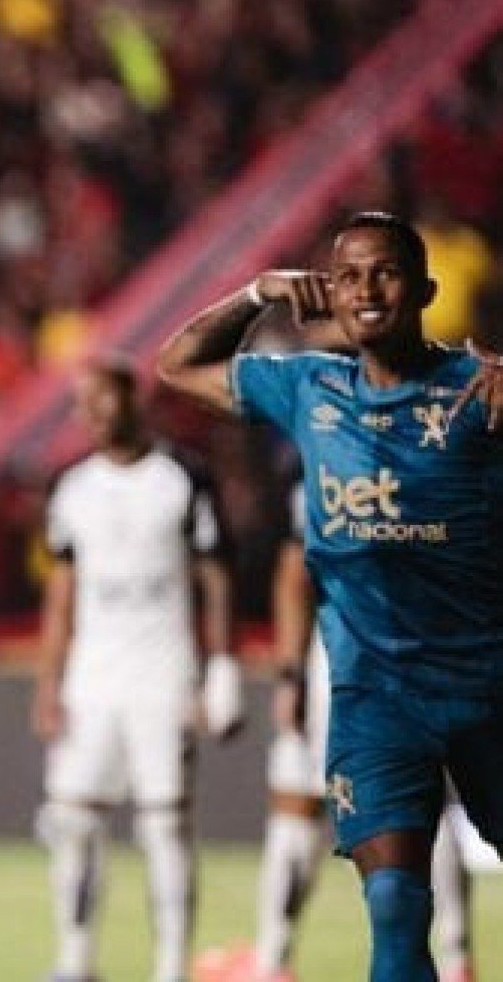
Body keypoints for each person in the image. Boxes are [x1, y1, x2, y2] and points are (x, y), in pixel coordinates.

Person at [156, 211, 503, 982]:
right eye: (348, 276)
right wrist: (259, 293)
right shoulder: (308, 386)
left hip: (485, 687)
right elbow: (177, 364)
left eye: (385, 273)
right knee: (396, 906)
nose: (365, 290)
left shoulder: (478, 390)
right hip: (375, 700)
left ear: (424, 290)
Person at [196, 481, 475, 982]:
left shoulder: (332, 462)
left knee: (296, 802)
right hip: (424, 654)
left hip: (342, 656)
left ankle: (272, 961)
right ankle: (457, 960)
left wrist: (290, 673)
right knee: (424, 802)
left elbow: (294, 574)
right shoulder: (439, 462)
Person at [34, 359, 243, 982]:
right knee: (73, 819)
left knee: (165, 825)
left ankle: (171, 967)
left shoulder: (182, 477)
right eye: (82, 403)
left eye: (102, 399)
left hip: (163, 671)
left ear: (133, 401)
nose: (92, 414)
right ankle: (75, 962)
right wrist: (49, 683)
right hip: (92, 676)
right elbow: (62, 593)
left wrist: (222, 668)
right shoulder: (71, 487)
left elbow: (214, 575)